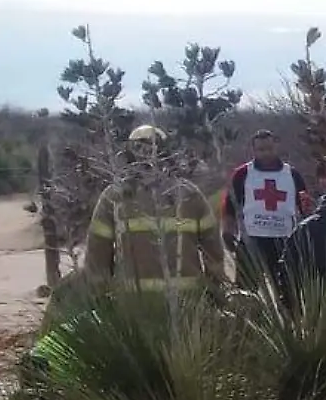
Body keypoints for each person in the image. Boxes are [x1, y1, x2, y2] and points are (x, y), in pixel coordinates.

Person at [83, 124, 227, 295]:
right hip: (139, 305)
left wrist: (215, 289)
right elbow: (97, 252)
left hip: (184, 304)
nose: (146, 156)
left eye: (151, 149)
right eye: (139, 149)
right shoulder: (115, 197)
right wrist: (100, 294)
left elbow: (213, 249)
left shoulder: (189, 195)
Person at [221, 129, 313, 293]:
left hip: (284, 241)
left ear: (276, 147)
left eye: (269, 149)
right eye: (261, 150)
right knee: (245, 291)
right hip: (252, 241)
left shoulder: (292, 174)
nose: (266, 154)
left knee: (288, 291)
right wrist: (228, 232)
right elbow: (229, 206)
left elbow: (306, 209)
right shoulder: (243, 173)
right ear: (254, 150)